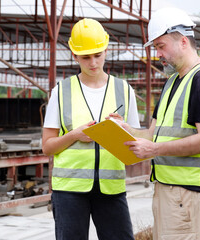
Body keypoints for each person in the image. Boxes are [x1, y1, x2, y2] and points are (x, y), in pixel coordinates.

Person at [109, 7, 200, 240]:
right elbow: (154, 134)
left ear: (183, 41)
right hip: (167, 190)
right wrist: (128, 130)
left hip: (189, 195)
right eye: (156, 48)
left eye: (161, 46)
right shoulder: (172, 82)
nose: (158, 54)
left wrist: (155, 150)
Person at [42, 18, 140, 240]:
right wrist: (75, 135)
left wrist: (123, 129)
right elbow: (47, 147)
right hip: (69, 190)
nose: (93, 63)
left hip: (111, 189)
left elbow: (137, 142)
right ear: (74, 56)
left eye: (98, 55)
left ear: (106, 50)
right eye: (85, 57)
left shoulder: (124, 90)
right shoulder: (61, 91)